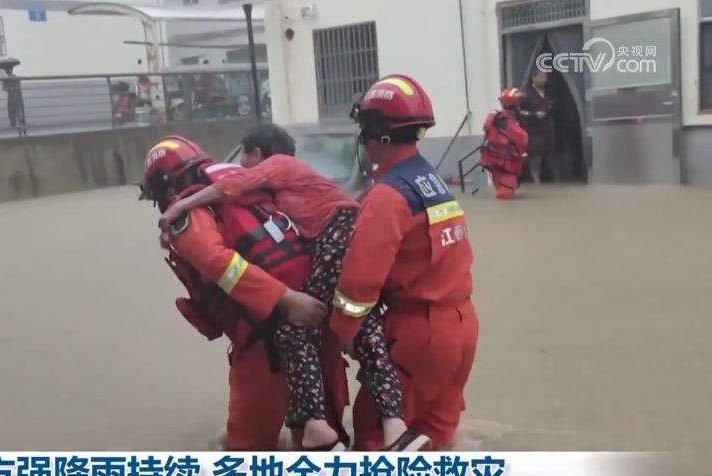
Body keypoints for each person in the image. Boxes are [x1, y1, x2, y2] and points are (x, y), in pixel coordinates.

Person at [159, 124, 428, 452]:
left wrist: (179, 208)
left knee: (293, 330)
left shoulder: (274, 170)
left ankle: (317, 428)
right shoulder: (274, 197)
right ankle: (391, 430)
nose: (242, 167)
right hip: (342, 261)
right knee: (367, 332)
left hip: (326, 255)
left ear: (258, 154)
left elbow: (225, 224)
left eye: (246, 159)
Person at [140, 136, 351, 451]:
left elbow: (220, 264)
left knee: (246, 452)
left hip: (266, 339)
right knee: (322, 435)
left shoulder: (188, 216)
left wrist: (285, 298)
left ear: (165, 186)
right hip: (317, 317)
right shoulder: (247, 187)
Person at [333, 74, 479, 451]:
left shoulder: (387, 197)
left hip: (419, 335)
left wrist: (345, 331)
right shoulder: (431, 181)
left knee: (374, 437)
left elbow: (359, 282)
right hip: (461, 327)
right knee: (436, 438)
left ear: (376, 134)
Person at [480, 88, 529, 200]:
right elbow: (522, 140)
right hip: (506, 165)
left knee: (502, 193)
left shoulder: (497, 118)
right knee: (506, 197)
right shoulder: (509, 123)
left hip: (494, 163)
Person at [520, 70, 557, 184]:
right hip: (533, 132)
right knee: (535, 159)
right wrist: (534, 114)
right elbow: (518, 112)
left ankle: (552, 182)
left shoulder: (549, 93)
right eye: (541, 77)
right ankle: (536, 183)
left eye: (545, 77)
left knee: (550, 159)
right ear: (534, 78)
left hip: (547, 131)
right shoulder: (525, 94)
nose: (544, 79)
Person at [2, 66, 25, 133]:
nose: (8, 71)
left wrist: (10, 89)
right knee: (12, 109)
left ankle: (19, 122)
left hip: (16, 95)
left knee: (17, 108)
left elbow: (18, 86)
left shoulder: (14, 78)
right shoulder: (6, 79)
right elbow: (4, 88)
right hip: (13, 95)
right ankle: (15, 122)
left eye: (9, 69)